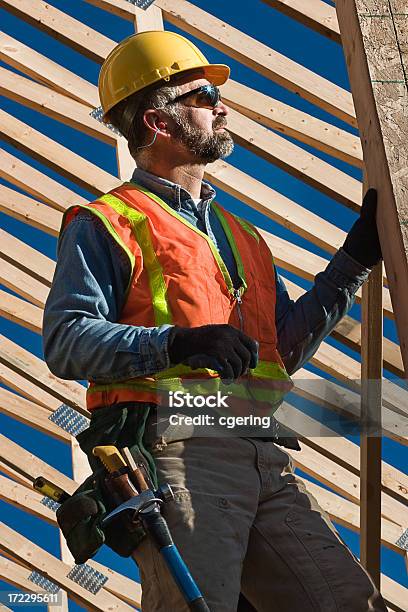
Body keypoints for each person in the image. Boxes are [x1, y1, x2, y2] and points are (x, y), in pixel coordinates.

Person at [43, 31, 387, 612]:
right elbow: (67, 339)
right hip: (176, 446)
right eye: (203, 96)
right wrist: (178, 343)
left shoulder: (243, 237)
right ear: (157, 122)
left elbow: (276, 350)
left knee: (349, 602)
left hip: (261, 450)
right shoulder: (108, 222)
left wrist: (351, 264)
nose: (222, 106)